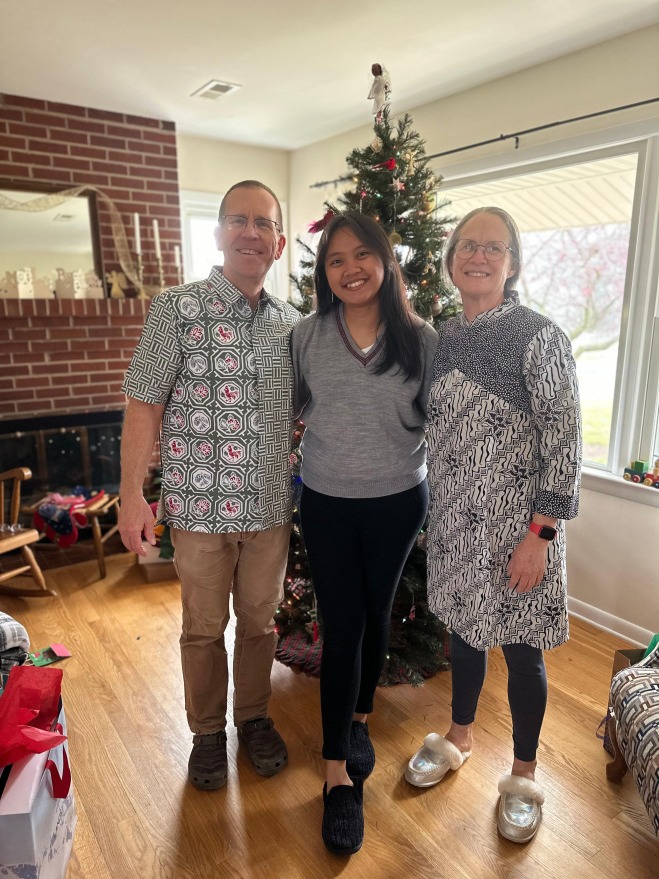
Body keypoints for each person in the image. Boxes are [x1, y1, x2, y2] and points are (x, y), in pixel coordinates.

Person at [405, 207, 582, 844]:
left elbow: (565, 442)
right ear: (452, 259)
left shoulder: (541, 336)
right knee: (465, 637)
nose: (478, 257)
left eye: (494, 248)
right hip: (454, 528)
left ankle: (525, 773)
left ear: (511, 265)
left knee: (522, 649)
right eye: (468, 246)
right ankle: (458, 737)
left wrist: (541, 536)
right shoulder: (443, 339)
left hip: (519, 536)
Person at [119, 180, 300, 791]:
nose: (251, 233)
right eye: (238, 220)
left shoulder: (295, 326)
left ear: (278, 244)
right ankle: (205, 734)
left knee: (259, 624)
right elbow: (142, 402)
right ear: (220, 233)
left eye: (263, 224)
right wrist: (131, 494)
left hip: (270, 508)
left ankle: (252, 719)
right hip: (197, 509)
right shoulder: (176, 309)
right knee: (202, 629)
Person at [291, 212, 438, 855]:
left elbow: (444, 423)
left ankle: (358, 720)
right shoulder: (305, 337)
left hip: (398, 502)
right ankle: (335, 778)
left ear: (385, 259)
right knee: (343, 626)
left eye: (361, 256)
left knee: (377, 615)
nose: (350, 269)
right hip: (325, 502)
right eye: (334, 260)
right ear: (325, 274)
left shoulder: (422, 339)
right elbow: (290, 413)